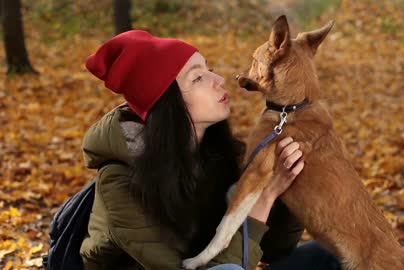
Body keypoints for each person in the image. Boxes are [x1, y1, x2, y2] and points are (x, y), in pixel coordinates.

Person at [80, 30, 340, 270]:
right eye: (198, 77)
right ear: (168, 103)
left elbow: (275, 249)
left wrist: (290, 187)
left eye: (210, 69)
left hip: (225, 264)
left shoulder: (220, 154)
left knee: (336, 254)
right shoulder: (119, 181)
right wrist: (262, 198)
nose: (218, 79)